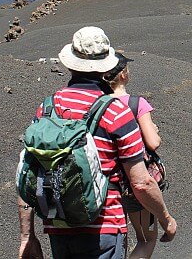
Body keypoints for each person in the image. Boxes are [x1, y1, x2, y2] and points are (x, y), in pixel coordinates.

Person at [18, 27, 177, 259]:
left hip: (58, 226)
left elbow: (28, 172)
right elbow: (141, 182)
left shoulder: (48, 108)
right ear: (105, 67)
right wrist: (166, 219)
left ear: (70, 63)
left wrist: (27, 236)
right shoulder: (116, 111)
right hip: (103, 227)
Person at [103, 52, 163, 259]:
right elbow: (152, 142)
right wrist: (154, 129)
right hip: (133, 180)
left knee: (121, 238)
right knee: (146, 239)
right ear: (123, 75)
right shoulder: (137, 104)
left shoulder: (99, 104)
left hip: (107, 181)